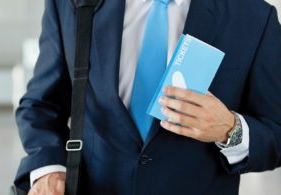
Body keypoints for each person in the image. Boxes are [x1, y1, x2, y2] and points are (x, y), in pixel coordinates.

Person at [14, 0, 281, 194]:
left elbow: (276, 134)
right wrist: (49, 167)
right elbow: (40, 105)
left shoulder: (253, 17)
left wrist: (230, 129)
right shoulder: (71, 4)